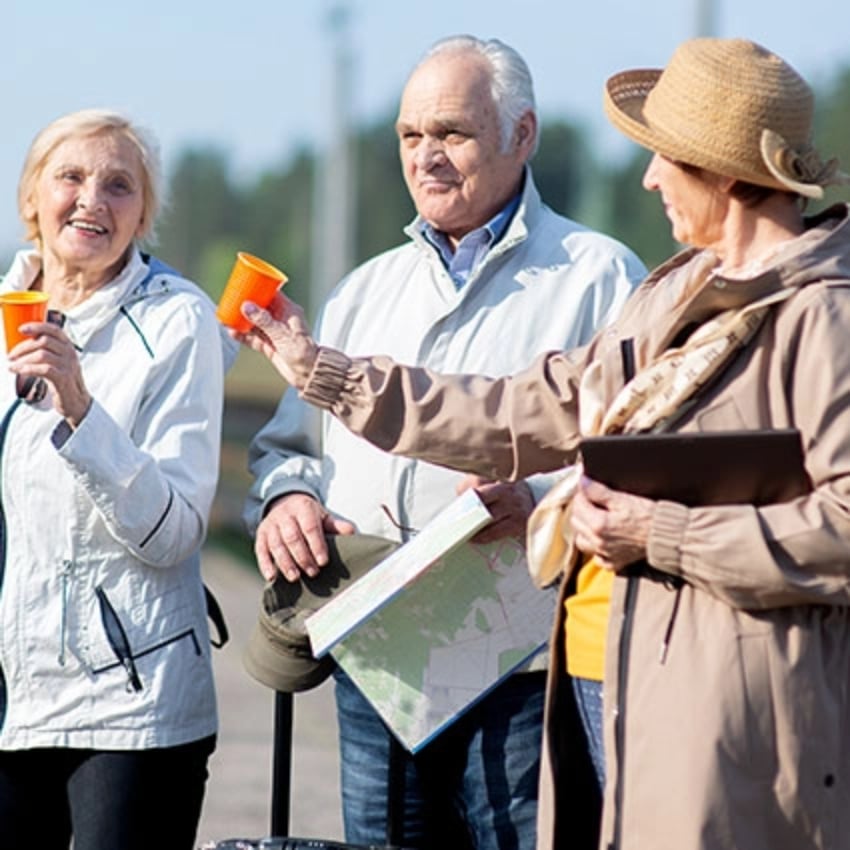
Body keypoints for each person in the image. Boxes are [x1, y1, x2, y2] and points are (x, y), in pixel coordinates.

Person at [235, 37, 850, 850]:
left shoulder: (825, 320)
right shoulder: (674, 295)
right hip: (624, 681)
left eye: (667, 157)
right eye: (410, 136)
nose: (648, 176)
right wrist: (332, 378)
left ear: (728, 172)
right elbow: (532, 406)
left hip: (722, 707)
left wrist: (651, 532)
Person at [243, 34, 645, 850]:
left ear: (521, 135)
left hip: (525, 663)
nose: (426, 155)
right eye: (410, 136)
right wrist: (285, 498)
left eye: (452, 133)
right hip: (376, 657)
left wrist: (532, 500)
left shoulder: (600, 274)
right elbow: (291, 447)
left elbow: (628, 456)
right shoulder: (364, 288)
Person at [0, 109, 235, 850]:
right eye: (70, 176)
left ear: (143, 217)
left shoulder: (178, 322)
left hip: (130, 710)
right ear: (32, 196)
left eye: (119, 186)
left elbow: (173, 534)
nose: (91, 200)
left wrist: (80, 407)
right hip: (10, 699)